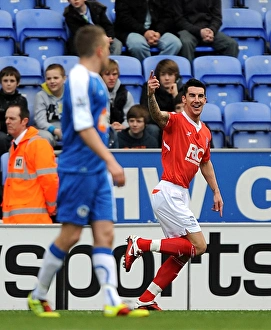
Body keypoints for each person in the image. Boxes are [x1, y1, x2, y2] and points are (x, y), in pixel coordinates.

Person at [27, 25, 149, 318]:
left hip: (96, 171)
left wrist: (104, 164)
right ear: (99, 51)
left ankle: (112, 300)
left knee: (105, 234)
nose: (110, 50)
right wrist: (111, 160)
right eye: (107, 46)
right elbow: (82, 127)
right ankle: (38, 294)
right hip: (79, 169)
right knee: (70, 236)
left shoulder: (93, 78)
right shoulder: (79, 79)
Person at [123, 76, 223, 310]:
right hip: (168, 190)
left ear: (205, 100)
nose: (196, 100)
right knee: (199, 246)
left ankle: (146, 298)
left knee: (183, 252)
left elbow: (205, 163)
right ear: (184, 99)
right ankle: (140, 244)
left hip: (179, 194)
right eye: (192, 96)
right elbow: (158, 115)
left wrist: (216, 191)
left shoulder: (205, 132)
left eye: (200, 96)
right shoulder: (176, 120)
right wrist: (150, 95)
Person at [2, 103, 58, 224]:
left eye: (12, 118)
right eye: (6, 118)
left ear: (24, 121)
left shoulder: (38, 145)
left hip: (33, 221)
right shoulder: (15, 146)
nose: (7, 121)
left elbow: (49, 180)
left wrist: (52, 207)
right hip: (15, 221)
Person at [114, 0, 182, 62]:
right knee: (138, 45)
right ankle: (149, 71)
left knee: (175, 43)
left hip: (156, 32)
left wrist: (158, 32)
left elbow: (168, 16)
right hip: (132, 31)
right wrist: (144, 32)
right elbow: (124, 19)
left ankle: (158, 70)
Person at [173, 0, 239, 62]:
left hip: (209, 30)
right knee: (186, 42)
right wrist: (199, 32)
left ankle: (224, 73)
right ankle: (189, 72)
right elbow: (179, 20)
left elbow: (217, 18)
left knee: (231, 44)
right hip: (188, 30)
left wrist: (212, 30)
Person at [141, 59, 183, 147]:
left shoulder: (183, 90)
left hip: (176, 123)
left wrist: (175, 96)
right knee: (153, 129)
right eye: (163, 74)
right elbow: (145, 111)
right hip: (156, 123)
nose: (167, 78)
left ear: (176, 76)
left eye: (170, 74)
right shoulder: (149, 87)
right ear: (158, 76)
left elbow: (185, 114)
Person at [34, 64, 66, 147]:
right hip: (48, 131)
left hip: (67, 130)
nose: (52, 81)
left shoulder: (71, 94)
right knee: (43, 138)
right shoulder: (40, 96)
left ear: (64, 79)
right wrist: (55, 130)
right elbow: (40, 121)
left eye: (56, 78)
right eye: (48, 79)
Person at [0, 66, 28, 157]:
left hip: (17, 131)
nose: (8, 84)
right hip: (1, 132)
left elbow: (24, 119)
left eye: (12, 81)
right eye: (5, 81)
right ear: (1, 82)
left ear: (18, 83)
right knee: (2, 138)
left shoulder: (22, 100)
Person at [100, 58, 134, 132]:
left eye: (114, 74)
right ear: (101, 76)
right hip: (102, 132)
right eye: (107, 74)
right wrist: (110, 127)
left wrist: (123, 126)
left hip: (122, 132)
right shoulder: (96, 94)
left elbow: (131, 118)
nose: (111, 78)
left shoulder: (126, 94)